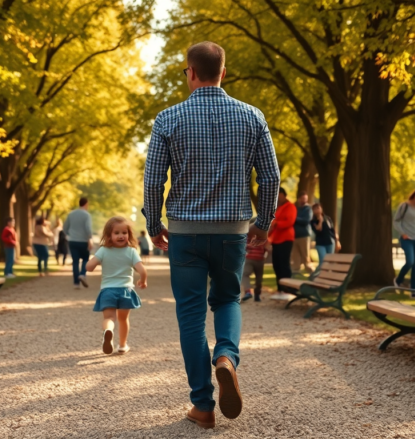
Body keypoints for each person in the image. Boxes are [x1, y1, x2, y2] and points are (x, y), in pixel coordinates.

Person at [143, 41, 280, 428]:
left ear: (190, 71)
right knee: (227, 300)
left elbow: (154, 180)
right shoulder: (252, 116)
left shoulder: (167, 118)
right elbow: (270, 177)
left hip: (184, 234)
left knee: (190, 315)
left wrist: (154, 225)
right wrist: (262, 222)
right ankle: (226, 357)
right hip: (232, 233)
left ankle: (202, 406)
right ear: (224, 72)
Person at [86, 217, 148, 355]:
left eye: (124, 233)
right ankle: (122, 345)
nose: (121, 236)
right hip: (126, 291)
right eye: (117, 233)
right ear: (109, 235)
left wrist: (92, 264)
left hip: (108, 291)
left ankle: (108, 330)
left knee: (109, 318)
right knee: (123, 319)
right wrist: (143, 281)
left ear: (128, 235)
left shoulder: (103, 251)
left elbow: (89, 267)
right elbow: (142, 270)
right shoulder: (131, 252)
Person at [268, 188, 297, 301]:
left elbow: (289, 222)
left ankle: (287, 290)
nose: (277, 197)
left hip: (286, 239)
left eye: (279, 194)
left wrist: (276, 223)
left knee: (284, 264)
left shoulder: (290, 207)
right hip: (276, 239)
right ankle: (280, 289)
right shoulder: (277, 208)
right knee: (276, 265)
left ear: (284, 195)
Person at [63, 197, 93, 289]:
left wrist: (70, 235)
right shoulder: (86, 215)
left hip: (72, 241)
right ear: (86, 204)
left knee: (75, 262)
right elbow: (88, 228)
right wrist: (90, 238)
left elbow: (65, 228)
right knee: (85, 259)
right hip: (83, 241)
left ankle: (76, 283)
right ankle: (82, 274)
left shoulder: (71, 214)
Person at [292, 191, 314, 273]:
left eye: (305, 199)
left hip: (304, 235)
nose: (304, 200)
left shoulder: (308, 209)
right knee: (295, 256)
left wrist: (295, 218)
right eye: (302, 199)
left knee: (305, 256)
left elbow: (306, 220)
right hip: (294, 236)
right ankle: (295, 272)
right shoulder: (295, 208)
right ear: (299, 199)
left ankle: (310, 271)